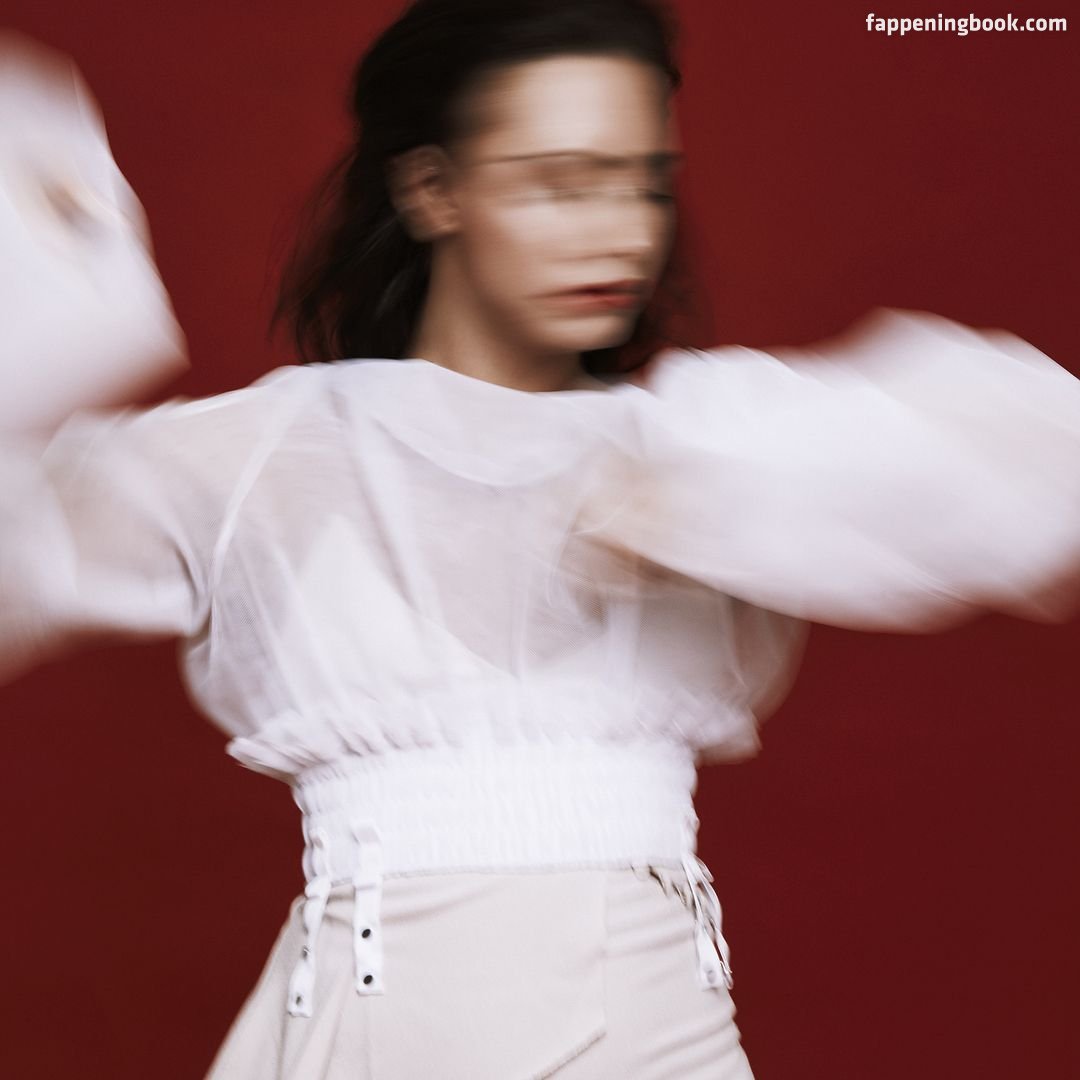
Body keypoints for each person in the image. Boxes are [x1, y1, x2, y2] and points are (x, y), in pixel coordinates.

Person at [4, 3, 1080, 1078]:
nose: (622, 232)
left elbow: (1041, 463)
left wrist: (708, 486)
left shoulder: (704, 443)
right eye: (563, 183)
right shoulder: (266, 455)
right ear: (433, 191)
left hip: (663, 1031)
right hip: (379, 1030)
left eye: (644, 184)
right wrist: (57, 258)